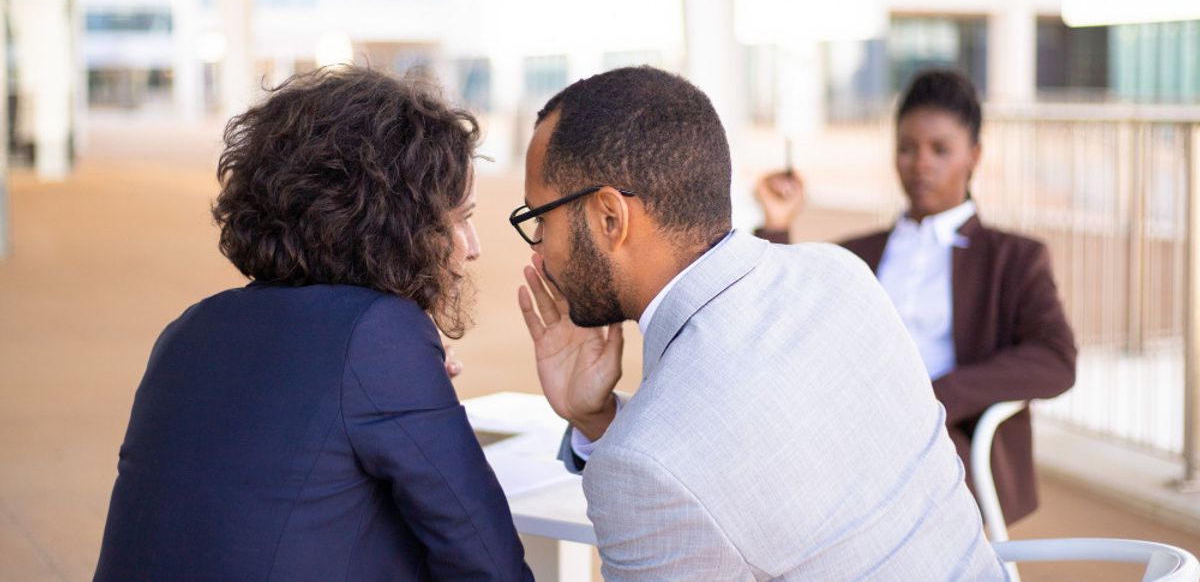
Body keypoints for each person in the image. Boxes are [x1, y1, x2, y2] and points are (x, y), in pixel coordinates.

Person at [512, 66, 1006, 580]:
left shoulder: (644, 464)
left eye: (540, 218)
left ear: (610, 218)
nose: (540, 248)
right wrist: (597, 422)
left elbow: (687, 466)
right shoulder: (841, 275)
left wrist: (617, 443)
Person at [95, 67, 532, 581]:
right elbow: (487, 562)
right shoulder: (378, 335)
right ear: (394, 224)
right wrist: (398, 362)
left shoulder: (189, 329)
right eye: (459, 219)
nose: (472, 247)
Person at [754, 68, 1077, 525]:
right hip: (854, 437)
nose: (920, 163)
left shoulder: (1014, 258)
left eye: (940, 149)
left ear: (974, 156)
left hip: (948, 444)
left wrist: (935, 398)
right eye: (907, 148)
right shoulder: (855, 255)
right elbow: (781, 320)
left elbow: (1055, 360)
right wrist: (776, 222)